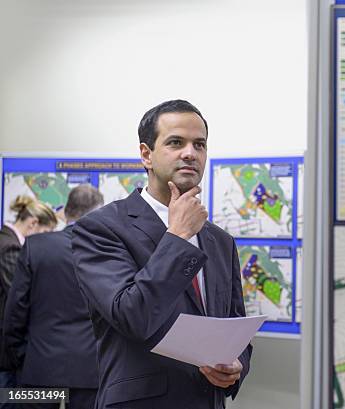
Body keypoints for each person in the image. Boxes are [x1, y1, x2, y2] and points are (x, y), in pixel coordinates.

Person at [71, 100, 252, 409]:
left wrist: (237, 365)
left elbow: (235, 325)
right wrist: (178, 236)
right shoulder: (101, 229)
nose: (190, 153)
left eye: (199, 144)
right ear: (146, 155)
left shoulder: (220, 240)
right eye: (175, 142)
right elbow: (132, 315)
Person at [3, 184, 103, 409]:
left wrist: (22, 359)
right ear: (99, 215)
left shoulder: (35, 246)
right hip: (91, 377)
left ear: (66, 213)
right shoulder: (107, 252)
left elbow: (15, 312)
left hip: (39, 373)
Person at [0, 196, 57, 406]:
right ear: (33, 223)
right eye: (45, 233)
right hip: (6, 355)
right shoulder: (9, 247)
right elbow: (20, 295)